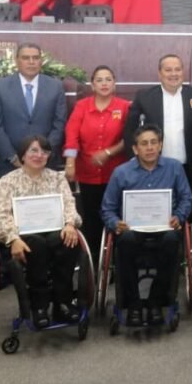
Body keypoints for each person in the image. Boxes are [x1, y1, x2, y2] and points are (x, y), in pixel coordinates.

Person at [121, 54, 192, 272]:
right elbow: (130, 130)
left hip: (188, 165)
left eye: (177, 69)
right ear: (160, 73)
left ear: (183, 72)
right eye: (168, 70)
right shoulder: (145, 96)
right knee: (158, 214)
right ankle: (160, 260)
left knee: (190, 211)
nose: (173, 74)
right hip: (156, 167)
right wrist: (134, 159)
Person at [101, 125, 192, 327]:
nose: (149, 147)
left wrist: (178, 216)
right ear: (135, 149)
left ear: (160, 146)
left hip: (165, 227)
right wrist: (115, 223)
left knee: (172, 240)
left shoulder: (174, 168)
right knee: (125, 240)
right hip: (132, 230)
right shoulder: (121, 173)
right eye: (144, 144)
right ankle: (133, 303)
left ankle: (155, 301)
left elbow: (186, 198)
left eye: (153, 143)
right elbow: (107, 208)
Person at [0, 135, 82, 329]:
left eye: (44, 151)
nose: (39, 155)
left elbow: (69, 205)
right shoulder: (7, 182)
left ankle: (62, 303)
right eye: (33, 150)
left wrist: (70, 224)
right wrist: (13, 239)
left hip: (54, 231)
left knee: (68, 241)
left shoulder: (57, 178)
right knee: (37, 245)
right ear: (22, 155)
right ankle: (39, 306)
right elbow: (2, 214)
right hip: (20, 236)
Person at [63, 65, 129, 263]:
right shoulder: (82, 106)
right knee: (92, 219)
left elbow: (130, 137)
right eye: (99, 80)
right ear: (92, 85)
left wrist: (109, 152)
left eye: (108, 79)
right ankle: (94, 264)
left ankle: (115, 263)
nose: (104, 84)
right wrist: (70, 162)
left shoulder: (124, 107)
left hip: (116, 173)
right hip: (87, 172)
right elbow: (72, 134)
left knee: (117, 218)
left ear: (114, 83)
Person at [0, 42, 68, 178]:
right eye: (26, 58)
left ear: (41, 61)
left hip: (46, 162)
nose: (31, 62)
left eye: (35, 58)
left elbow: (59, 123)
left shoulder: (56, 87)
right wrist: (12, 156)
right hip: (9, 163)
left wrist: (43, 154)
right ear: (16, 61)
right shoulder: (0, 87)